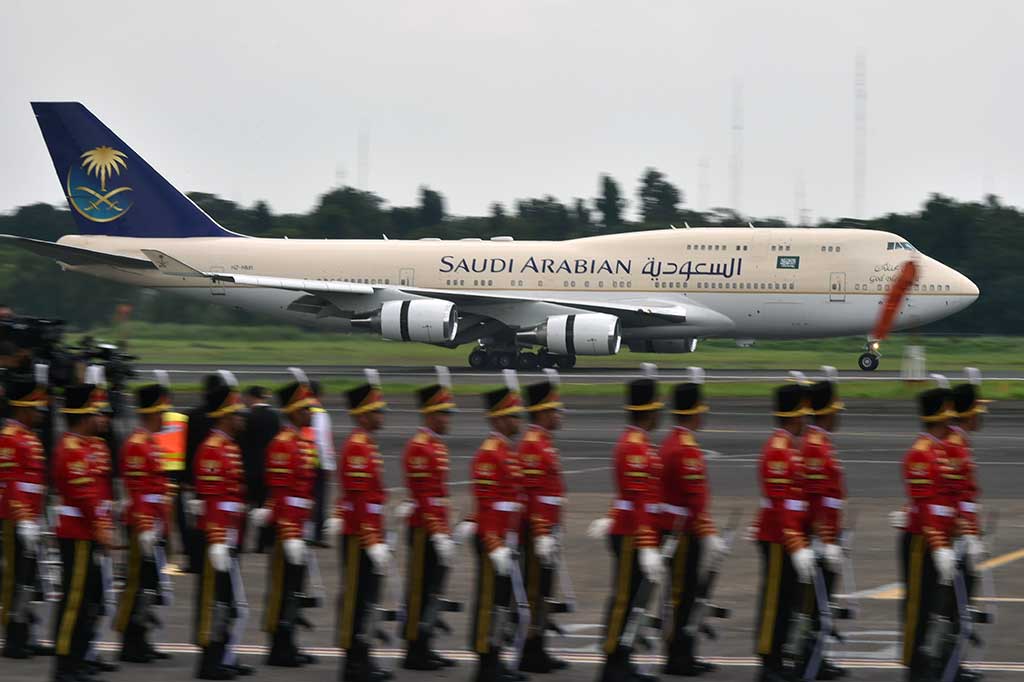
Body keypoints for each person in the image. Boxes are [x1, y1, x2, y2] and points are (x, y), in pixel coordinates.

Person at [590, 364, 665, 682]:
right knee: (624, 599)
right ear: (649, 411)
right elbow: (636, 499)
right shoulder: (635, 446)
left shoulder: (641, 442)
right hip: (632, 533)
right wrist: (648, 545)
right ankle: (612, 665)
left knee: (635, 601)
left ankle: (624, 657)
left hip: (635, 530)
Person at [658, 367, 726, 676]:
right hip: (682, 532)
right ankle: (677, 657)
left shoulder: (676, 443)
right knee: (681, 597)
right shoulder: (684, 449)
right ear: (693, 413)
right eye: (701, 412)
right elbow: (694, 499)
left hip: (682, 529)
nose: (704, 417)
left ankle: (685, 653)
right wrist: (708, 532)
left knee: (688, 596)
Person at [253, 368, 319, 667]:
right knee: (282, 588)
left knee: (295, 589)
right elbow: (280, 495)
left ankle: (289, 641)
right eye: (306, 409)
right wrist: (290, 532)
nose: (311, 414)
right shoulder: (283, 444)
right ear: (293, 411)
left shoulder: (302, 443)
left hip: (298, 526)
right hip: (286, 530)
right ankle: (277, 646)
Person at [328, 369, 391, 682]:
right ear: (364, 416)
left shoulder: (365, 445)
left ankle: (363, 658)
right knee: (356, 599)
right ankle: (353, 664)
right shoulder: (356, 448)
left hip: (367, 535)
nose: (382, 417)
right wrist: (371, 539)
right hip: (357, 537)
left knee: (367, 600)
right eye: (377, 412)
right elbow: (359, 500)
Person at [462, 369, 525, 682]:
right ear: (499, 419)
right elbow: (486, 506)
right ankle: (485, 662)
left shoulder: (505, 451)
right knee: (489, 601)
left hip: (504, 538)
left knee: (501, 603)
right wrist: (494, 544)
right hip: (493, 540)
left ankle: (495, 656)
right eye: (513, 416)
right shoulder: (490, 454)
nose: (519, 421)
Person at [51, 381, 115, 682]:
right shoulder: (71, 448)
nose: (101, 418)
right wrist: (102, 528)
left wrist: (105, 524)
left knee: (90, 599)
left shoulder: (95, 446)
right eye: (95, 412)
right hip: (77, 533)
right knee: (74, 600)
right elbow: (84, 495)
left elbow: (101, 493)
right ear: (82, 416)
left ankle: (78, 657)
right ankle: (64, 663)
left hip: (90, 532)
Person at [753, 380, 815, 682]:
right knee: (775, 601)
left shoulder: (791, 448)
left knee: (787, 600)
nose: (806, 420)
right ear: (793, 416)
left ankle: (778, 657)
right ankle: (768, 662)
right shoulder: (779, 451)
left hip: (788, 536)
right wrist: (796, 542)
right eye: (802, 414)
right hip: (778, 536)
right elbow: (781, 505)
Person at [192, 372, 252, 680]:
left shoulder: (228, 447)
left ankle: (224, 654)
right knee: (215, 601)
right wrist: (216, 539)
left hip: (229, 535)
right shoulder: (213, 449)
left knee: (230, 602)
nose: (243, 420)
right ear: (227, 417)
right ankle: (210, 660)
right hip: (217, 538)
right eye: (239, 415)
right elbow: (213, 499)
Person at [400, 366, 458, 671]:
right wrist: (437, 532)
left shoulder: (435, 446)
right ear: (431, 415)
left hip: (435, 527)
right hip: (424, 529)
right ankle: (414, 649)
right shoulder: (421, 447)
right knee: (420, 589)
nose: (448, 419)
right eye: (444, 413)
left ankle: (426, 643)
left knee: (433, 591)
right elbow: (425, 498)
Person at [900, 381, 958, 682]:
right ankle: (914, 667)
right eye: (948, 415)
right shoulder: (922, 454)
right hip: (923, 540)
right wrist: (938, 545)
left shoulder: (939, 451)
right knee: (918, 606)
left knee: (932, 605)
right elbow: (925, 509)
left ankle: (926, 662)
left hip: (937, 539)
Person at [114, 373, 174, 663]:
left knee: (149, 585)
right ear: (153, 413)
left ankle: (141, 637)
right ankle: (129, 640)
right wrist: (146, 527)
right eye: (163, 412)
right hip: (141, 524)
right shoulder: (138, 444)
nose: (166, 418)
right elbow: (137, 492)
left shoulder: (150, 442)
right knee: (137, 583)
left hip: (153, 523)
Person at [517, 368, 569, 674]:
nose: (560, 415)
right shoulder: (533, 445)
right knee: (534, 593)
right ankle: (529, 652)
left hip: (548, 530)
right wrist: (540, 533)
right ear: (542, 412)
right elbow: (532, 495)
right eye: (555, 410)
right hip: (538, 533)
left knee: (544, 594)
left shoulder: (544, 442)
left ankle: (539, 649)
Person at [801, 367, 848, 680]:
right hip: (814, 536)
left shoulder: (821, 443)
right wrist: (823, 538)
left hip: (825, 535)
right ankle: (806, 659)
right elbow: (814, 498)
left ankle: (816, 656)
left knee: (821, 603)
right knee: (810, 603)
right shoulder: (814, 446)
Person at [0, 365, 48, 659]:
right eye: (35, 408)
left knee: (28, 579)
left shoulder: (27, 436)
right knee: (13, 579)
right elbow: (9, 482)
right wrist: (22, 519)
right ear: (23, 409)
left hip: (30, 517)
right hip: (14, 519)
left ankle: (25, 630)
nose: (40, 413)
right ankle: (12, 637)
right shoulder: (9, 437)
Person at [182, 374, 226, 573]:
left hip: (197, 476)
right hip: (218, 478)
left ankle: (195, 560)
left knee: (197, 521)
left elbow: (187, 448)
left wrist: (186, 479)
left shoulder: (193, 415)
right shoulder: (222, 419)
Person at [239, 386, 279, 554]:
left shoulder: (247, 417)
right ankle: (265, 543)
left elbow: (241, 443)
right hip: (268, 468)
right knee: (266, 507)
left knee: (242, 508)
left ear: (250, 397)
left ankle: (239, 542)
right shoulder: (274, 417)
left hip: (248, 468)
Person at [308, 380, 335, 547]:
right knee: (319, 499)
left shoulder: (301, 410)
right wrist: (328, 464)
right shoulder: (320, 412)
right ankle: (317, 535)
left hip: (303, 461)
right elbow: (322, 441)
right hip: (317, 463)